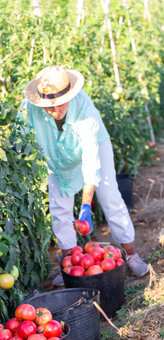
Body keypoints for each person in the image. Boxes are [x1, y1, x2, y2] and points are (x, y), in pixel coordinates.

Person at [18, 65, 149, 286]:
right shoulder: (31, 108)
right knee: (59, 206)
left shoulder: (83, 108)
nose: (53, 110)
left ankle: (131, 254)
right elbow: (18, 134)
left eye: (59, 104)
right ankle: (72, 264)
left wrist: (86, 206)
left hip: (94, 147)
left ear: (69, 95)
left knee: (109, 195)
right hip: (55, 155)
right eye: (48, 106)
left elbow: (91, 161)